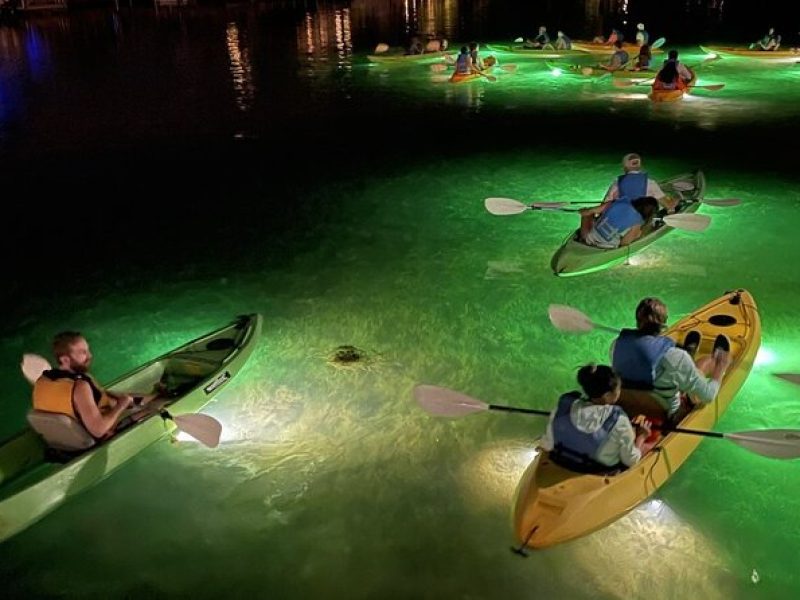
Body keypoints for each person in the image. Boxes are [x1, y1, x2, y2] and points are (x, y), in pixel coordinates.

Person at [611, 298, 731, 422]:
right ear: (663, 324)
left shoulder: (616, 345)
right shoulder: (674, 357)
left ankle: (689, 358)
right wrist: (720, 370)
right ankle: (712, 360)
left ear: (637, 321)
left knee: (675, 370)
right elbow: (708, 395)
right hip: (666, 413)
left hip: (629, 405)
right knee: (704, 363)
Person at [32, 331, 158, 441]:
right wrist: (122, 405)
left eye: (88, 350)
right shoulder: (80, 386)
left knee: (132, 398)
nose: (90, 356)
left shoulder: (44, 380)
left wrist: (123, 400)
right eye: (83, 353)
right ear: (65, 360)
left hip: (65, 438)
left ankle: (155, 396)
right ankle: (162, 400)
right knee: (158, 407)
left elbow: (94, 398)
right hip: (99, 436)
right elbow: (99, 430)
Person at [539, 364, 652, 472]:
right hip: (595, 468)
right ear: (607, 395)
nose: (619, 391)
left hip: (562, 458)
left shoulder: (565, 403)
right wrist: (641, 437)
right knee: (645, 446)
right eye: (618, 389)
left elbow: (548, 441)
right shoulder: (619, 419)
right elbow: (631, 460)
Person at [578, 153, 676, 236]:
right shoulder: (650, 183)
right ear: (640, 166)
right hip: (637, 228)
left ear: (625, 167)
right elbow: (668, 206)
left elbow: (604, 207)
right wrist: (675, 201)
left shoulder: (617, 183)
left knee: (589, 213)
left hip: (615, 226)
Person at [582, 196, 660, 248]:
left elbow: (591, 211)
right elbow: (624, 243)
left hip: (587, 238)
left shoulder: (620, 201)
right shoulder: (638, 223)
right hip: (605, 247)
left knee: (588, 213)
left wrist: (585, 211)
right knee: (637, 234)